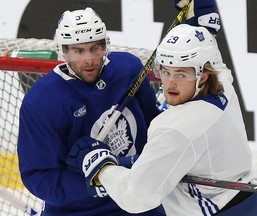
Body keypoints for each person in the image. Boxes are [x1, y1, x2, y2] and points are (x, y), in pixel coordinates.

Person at [65, 1, 257, 215]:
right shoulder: (223, 84)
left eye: (181, 74)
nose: (170, 83)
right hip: (251, 204)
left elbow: (137, 197)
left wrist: (102, 168)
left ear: (202, 76)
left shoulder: (176, 130)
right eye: (165, 71)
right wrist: (201, 27)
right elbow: (213, 60)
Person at [17, 7, 164, 216]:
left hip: (139, 203)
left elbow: (153, 124)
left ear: (105, 45)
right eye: (78, 50)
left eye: (95, 48)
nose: (89, 60)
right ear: (64, 51)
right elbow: (39, 177)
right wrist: (101, 181)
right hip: (76, 212)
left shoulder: (128, 69)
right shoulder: (41, 102)